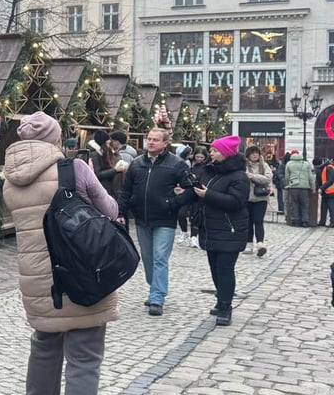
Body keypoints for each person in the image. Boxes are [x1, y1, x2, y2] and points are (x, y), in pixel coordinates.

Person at [2, 111, 119, 395]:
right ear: (55, 139)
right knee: (84, 356)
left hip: (38, 277)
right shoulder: (74, 169)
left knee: (45, 345)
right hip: (82, 272)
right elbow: (110, 209)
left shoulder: (11, 179)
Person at [118, 127, 191, 316]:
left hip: (165, 219)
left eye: (155, 140)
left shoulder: (177, 164)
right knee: (148, 258)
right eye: (149, 138)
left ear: (165, 143)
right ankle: (154, 288)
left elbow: (191, 190)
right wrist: (121, 211)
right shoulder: (136, 164)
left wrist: (173, 203)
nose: (150, 142)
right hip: (142, 218)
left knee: (160, 257)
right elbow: (126, 191)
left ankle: (157, 297)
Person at [179, 135, 249, 327]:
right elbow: (198, 191)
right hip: (210, 229)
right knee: (215, 269)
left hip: (230, 229)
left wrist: (208, 195)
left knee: (225, 270)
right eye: (211, 150)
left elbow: (236, 202)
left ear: (226, 153)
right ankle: (221, 300)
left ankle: (226, 307)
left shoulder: (239, 176)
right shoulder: (210, 172)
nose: (211, 153)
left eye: (215, 150)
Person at [244, 145, 272, 257]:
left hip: (261, 198)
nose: (255, 155)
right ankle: (249, 244)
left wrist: (254, 176)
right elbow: (243, 176)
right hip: (247, 198)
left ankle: (260, 243)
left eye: (256, 153)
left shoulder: (264, 165)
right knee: (248, 222)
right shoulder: (244, 166)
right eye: (252, 153)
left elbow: (268, 179)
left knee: (258, 221)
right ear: (248, 155)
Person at [87, 130, 126, 198]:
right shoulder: (95, 154)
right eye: (108, 139)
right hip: (101, 190)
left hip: (104, 189)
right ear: (103, 141)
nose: (110, 141)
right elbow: (97, 174)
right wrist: (115, 170)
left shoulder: (101, 152)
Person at [283, 149, 314, 227]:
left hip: (293, 187)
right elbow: (311, 177)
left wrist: (287, 184)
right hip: (305, 187)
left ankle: (296, 220)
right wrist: (313, 187)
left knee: (294, 204)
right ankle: (305, 221)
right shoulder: (306, 164)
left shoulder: (289, 164)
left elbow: (287, 177)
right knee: (304, 204)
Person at [321, 160, 334, 228]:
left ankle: (332, 222)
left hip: (330, 191)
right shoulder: (329, 167)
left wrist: (322, 188)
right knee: (324, 207)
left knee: (331, 208)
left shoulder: (329, 168)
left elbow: (330, 180)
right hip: (327, 191)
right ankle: (322, 221)